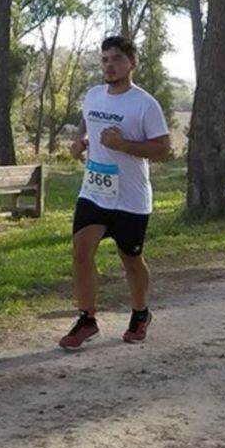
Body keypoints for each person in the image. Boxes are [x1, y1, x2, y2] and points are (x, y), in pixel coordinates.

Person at [59, 36, 172, 349]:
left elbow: (163, 147)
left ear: (131, 64)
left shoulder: (145, 104)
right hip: (94, 192)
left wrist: (124, 146)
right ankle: (87, 319)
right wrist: (80, 142)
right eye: (105, 59)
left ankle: (140, 314)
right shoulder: (94, 95)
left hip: (131, 198)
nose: (109, 65)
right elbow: (88, 122)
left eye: (116, 59)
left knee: (131, 258)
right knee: (81, 252)